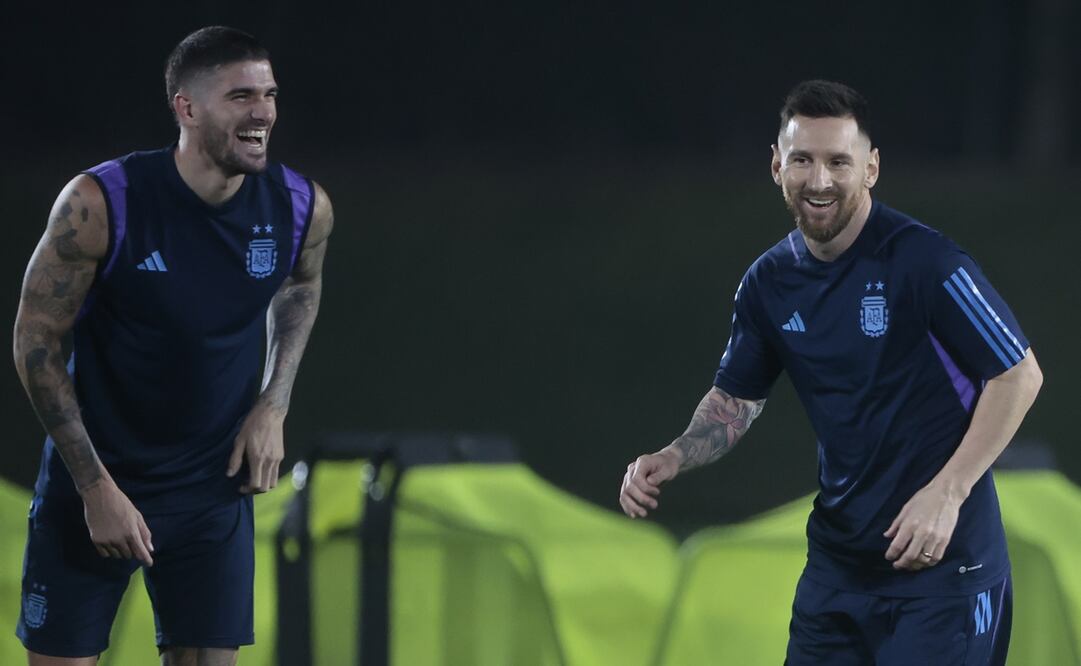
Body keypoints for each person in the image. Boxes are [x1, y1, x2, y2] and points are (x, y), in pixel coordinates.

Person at [619, 80, 1042, 665]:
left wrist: (947, 493)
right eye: (803, 160)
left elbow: (1018, 375)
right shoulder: (768, 283)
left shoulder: (927, 263)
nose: (819, 181)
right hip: (837, 576)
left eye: (838, 162)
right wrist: (674, 455)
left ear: (871, 168)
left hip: (945, 576)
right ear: (777, 166)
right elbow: (736, 400)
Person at [13, 26, 332, 666]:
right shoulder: (102, 204)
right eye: (241, 96)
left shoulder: (300, 207)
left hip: (213, 493)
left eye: (269, 94)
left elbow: (301, 286)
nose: (263, 112)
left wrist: (274, 403)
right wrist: (93, 488)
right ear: (186, 108)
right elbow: (35, 341)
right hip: (99, 485)